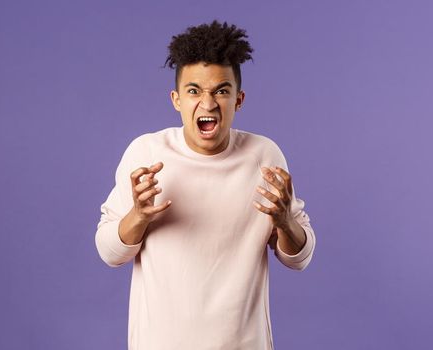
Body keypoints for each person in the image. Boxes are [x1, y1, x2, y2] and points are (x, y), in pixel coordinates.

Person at [95, 20, 316, 350]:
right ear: (176, 99)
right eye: (194, 91)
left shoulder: (264, 156)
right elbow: (109, 252)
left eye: (221, 91)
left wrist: (285, 222)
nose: (208, 103)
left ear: (238, 100)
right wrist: (138, 217)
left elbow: (299, 258)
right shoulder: (147, 153)